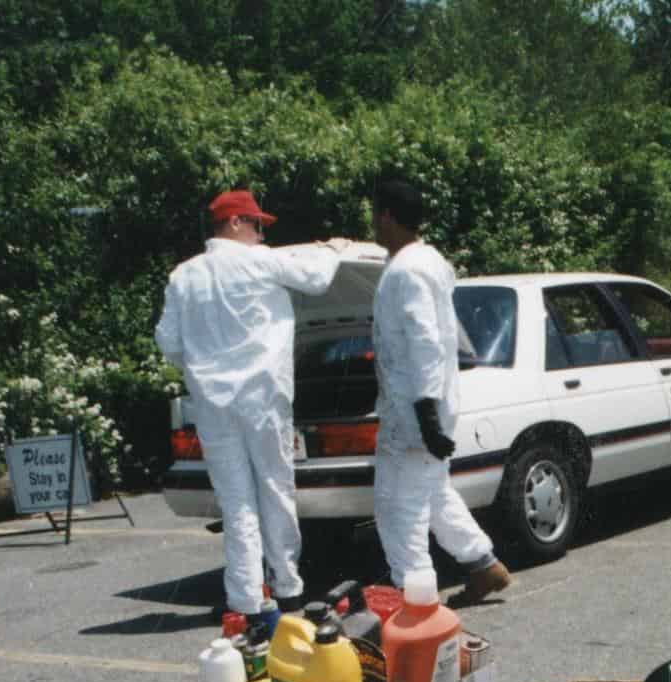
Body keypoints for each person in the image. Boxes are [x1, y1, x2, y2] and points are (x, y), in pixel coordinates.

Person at [154, 188, 340, 627]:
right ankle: (289, 589)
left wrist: (201, 369)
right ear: (235, 224)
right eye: (256, 225)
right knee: (275, 489)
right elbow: (317, 280)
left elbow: (169, 341)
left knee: (236, 501)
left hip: (214, 404)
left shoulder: (183, 276)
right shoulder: (260, 261)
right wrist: (334, 250)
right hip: (262, 397)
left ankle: (245, 599)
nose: (260, 234)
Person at [369, 178, 512, 604]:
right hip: (429, 402)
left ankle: (416, 602)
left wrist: (425, 412)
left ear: (388, 216)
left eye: (375, 215)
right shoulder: (431, 261)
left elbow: (424, 342)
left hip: (414, 409)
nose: (373, 224)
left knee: (398, 507)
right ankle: (484, 565)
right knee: (431, 492)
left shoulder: (406, 271)